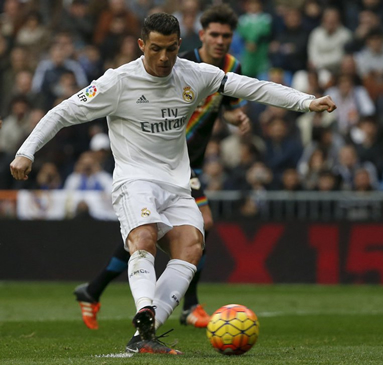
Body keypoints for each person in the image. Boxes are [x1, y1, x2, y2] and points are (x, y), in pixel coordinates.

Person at [10, 12, 336, 355]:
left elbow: (251, 87)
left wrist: (306, 102)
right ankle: (144, 309)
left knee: (192, 245)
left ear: (180, 45)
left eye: (170, 49)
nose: (163, 58)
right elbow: (61, 112)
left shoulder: (195, 74)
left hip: (177, 183)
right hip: (134, 179)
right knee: (144, 236)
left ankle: (144, 334)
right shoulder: (117, 82)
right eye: (155, 49)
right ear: (141, 46)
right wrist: (26, 152)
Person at [73, 4, 250, 331]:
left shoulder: (230, 68)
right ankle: (191, 305)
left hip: (186, 166)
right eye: (214, 34)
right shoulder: (184, 64)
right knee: (191, 224)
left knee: (155, 232)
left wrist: (233, 116)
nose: (221, 41)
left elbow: (225, 106)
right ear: (200, 36)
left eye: (226, 35)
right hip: (158, 164)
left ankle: (95, 288)